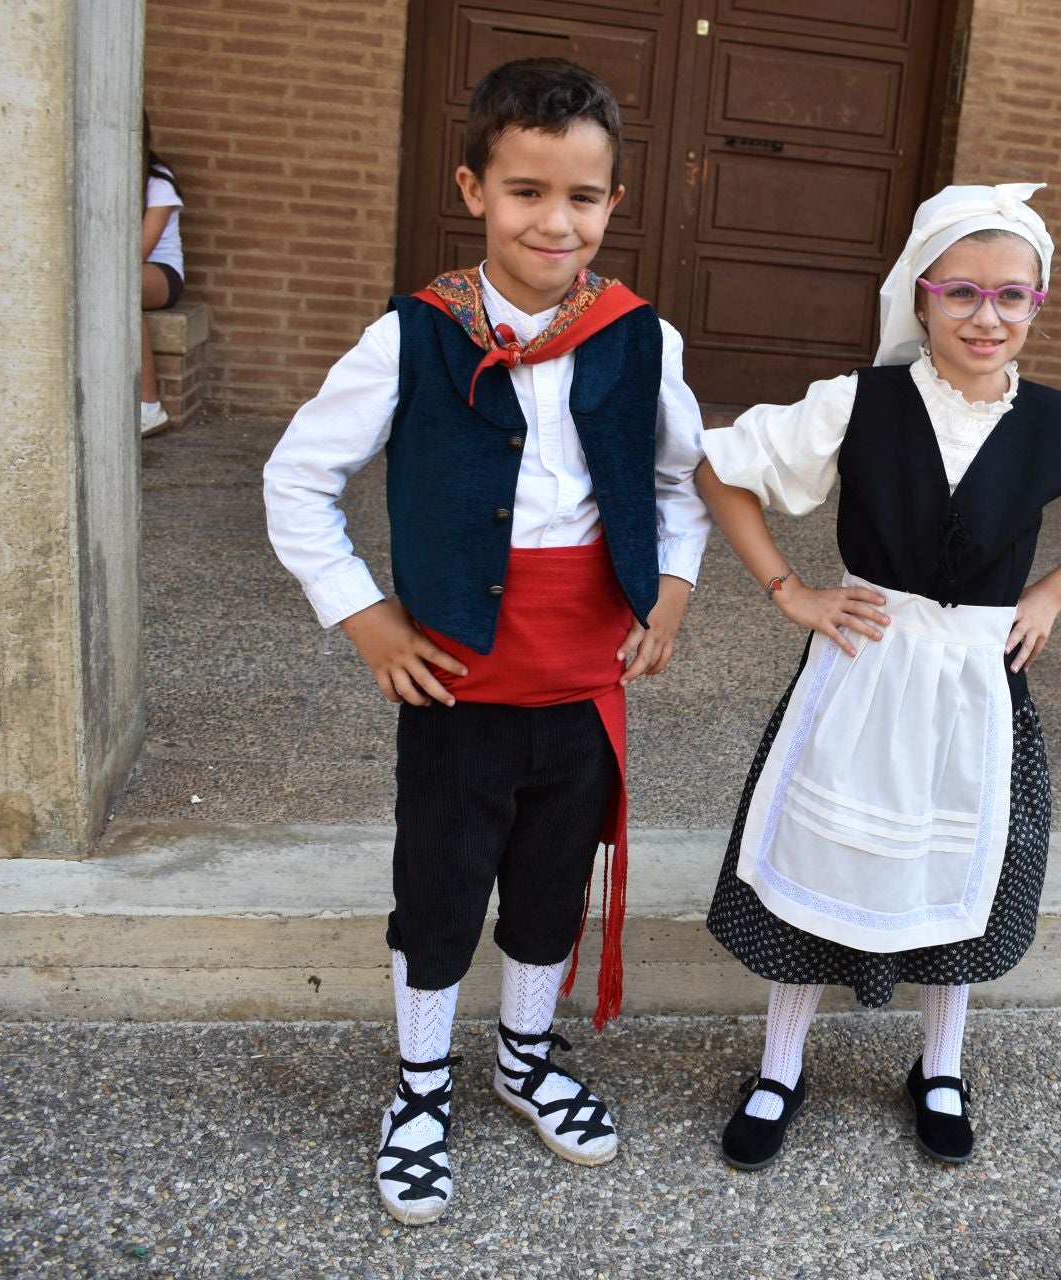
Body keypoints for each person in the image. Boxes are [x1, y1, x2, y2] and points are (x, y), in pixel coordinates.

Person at [262, 59, 710, 1224]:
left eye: (584, 197)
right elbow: (297, 477)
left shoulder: (638, 339)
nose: (554, 221)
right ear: (473, 188)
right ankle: (420, 1085)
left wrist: (670, 586)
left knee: (550, 886)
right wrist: (363, 613)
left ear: (615, 203)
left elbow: (683, 480)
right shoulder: (412, 335)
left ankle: (522, 1057)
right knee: (443, 885)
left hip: (583, 681)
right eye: (525, 191)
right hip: (458, 680)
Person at [694, 183, 1061, 1170]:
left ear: (1037, 304)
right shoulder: (857, 403)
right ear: (920, 298)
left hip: (977, 680)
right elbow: (721, 468)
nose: (986, 315)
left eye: (1012, 295)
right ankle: (780, 1064)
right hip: (864, 666)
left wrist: (1050, 596)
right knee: (825, 858)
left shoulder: (1058, 423)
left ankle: (941, 1064)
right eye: (962, 292)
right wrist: (791, 589)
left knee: (964, 862)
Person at [140, 113, 184, 438]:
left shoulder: (158, 181)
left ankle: (149, 407)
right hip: (119, 273)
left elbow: (139, 251)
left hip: (161, 274)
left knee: (118, 290)